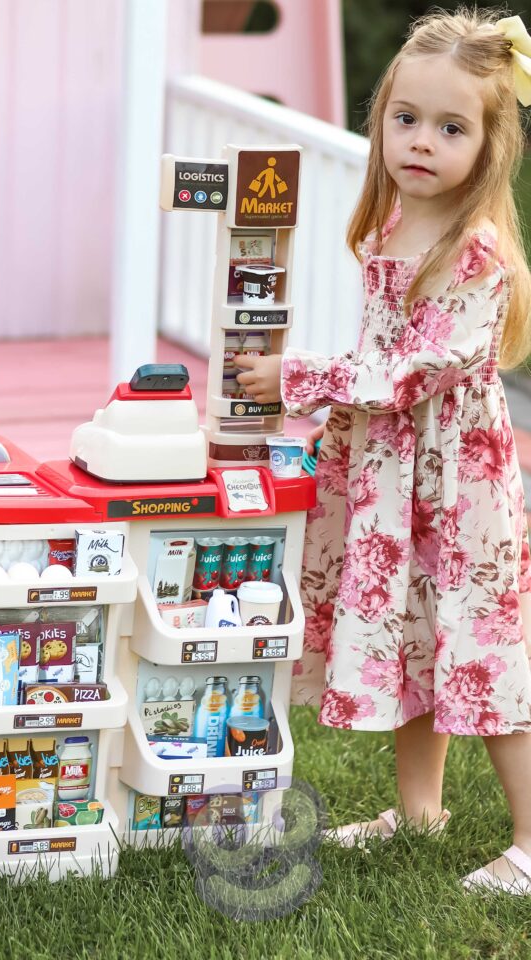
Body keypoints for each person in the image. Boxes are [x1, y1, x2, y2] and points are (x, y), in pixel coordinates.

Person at [235, 8, 531, 895]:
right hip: (396, 479)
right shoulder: (391, 222)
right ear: (380, 122)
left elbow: (412, 373)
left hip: (458, 486)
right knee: (417, 638)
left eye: (451, 128)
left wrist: (302, 377)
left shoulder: (477, 255)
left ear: (487, 145)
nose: (423, 142)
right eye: (406, 119)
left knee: (481, 647)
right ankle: (418, 809)